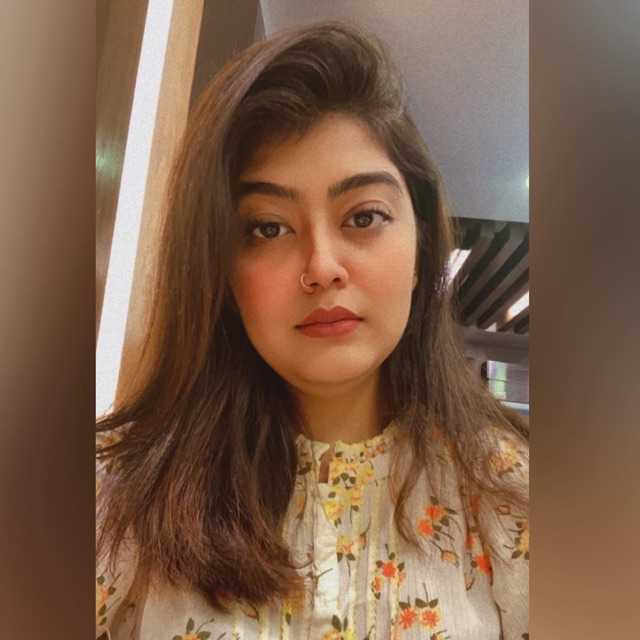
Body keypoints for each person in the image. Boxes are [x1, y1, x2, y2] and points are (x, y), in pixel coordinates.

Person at [96, 21, 529, 640]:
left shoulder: (510, 490)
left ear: (421, 248)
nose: (323, 267)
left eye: (364, 217)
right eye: (268, 228)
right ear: (221, 271)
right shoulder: (123, 492)